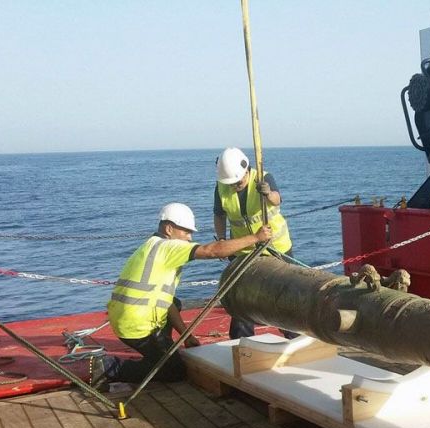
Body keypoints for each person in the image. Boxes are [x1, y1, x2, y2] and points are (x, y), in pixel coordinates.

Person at [96, 203, 272, 384]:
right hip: (137, 327)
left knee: (176, 303)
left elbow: (167, 302)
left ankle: (161, 349)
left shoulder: (150, 245)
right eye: (186, 232)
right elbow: (212, 251)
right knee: (175, 371)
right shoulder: (169, 247)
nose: (189, 238)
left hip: (126, 317)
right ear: (169, 229)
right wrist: (256, 237)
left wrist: (186, 336)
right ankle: (109, 367)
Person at [213, 147, 297, 339]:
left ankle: (294, 337)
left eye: (238, 181)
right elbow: (219, 215)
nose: (234, 185)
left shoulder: (263, 177)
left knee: (285, 293)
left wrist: (268, 194)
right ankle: (242, 342)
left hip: (275, 246)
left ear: (246, 171)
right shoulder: (221, 187)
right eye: (230, 183)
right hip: (243, 249)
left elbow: (277, 200)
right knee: (241, 296)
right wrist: (222, 240)